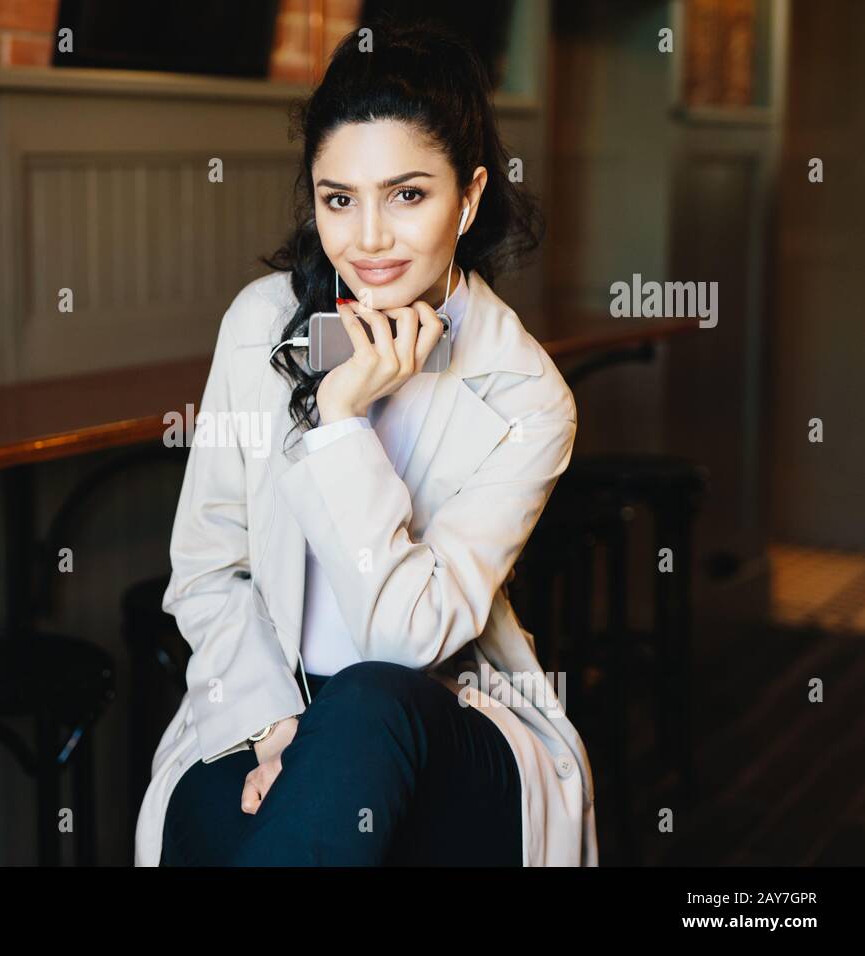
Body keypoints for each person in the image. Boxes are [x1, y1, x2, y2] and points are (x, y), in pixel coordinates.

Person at [134, 17, 597, 867]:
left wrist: (341, 420)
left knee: (369, 702)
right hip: (266, 705)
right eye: (339, 198)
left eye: (408, 194)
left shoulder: (529, 396)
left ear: (471, 194)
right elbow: (208, 567)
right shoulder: (261, 325)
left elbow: (402, 643)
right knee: (209, 824)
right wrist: (278, 728)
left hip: (444, 722)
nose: (369, 238)